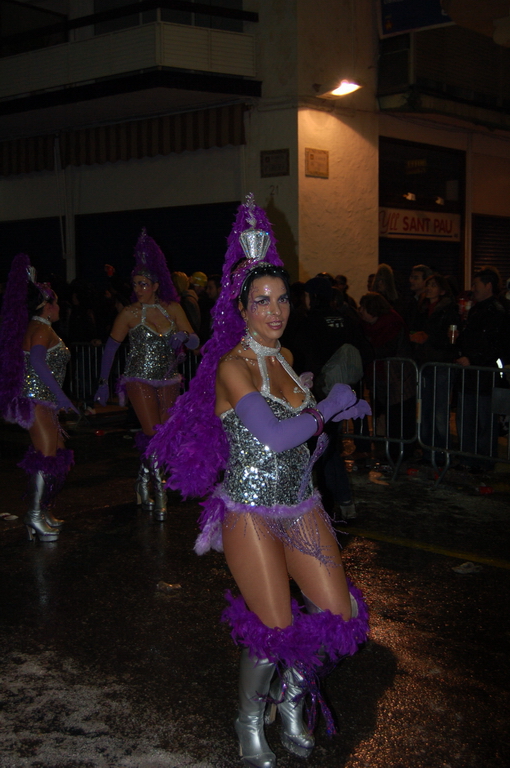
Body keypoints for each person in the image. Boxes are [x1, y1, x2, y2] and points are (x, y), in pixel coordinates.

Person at [150, 196, 370, 767]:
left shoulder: (286, 357)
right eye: (262, 301)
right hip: (248, 511)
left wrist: (333, 416)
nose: (275, 311)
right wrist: (325, 410)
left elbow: (304, 446)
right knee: (273, 628)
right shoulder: (234, 366)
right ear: (242, 308)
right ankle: (250, 719)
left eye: (281, 300)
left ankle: (292, 701)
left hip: (301, 506)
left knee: (337, 614)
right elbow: (272, 437)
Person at [94, 230, 199, 520]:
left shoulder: (172, 309)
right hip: (138, 379)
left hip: (168, 378)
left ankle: (142, 479)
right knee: (153, 431)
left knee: (164, 435)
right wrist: (103, 382)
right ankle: (160, 493)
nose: (138, 289)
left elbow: (194, 340)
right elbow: (111, 349)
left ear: (155, 285)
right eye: (135, 284)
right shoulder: (129, 313)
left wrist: (182, 338)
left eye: (143, 284)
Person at [0, 253, 77, 542]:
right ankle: (33, 516)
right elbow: (40, 364)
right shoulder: (42, 329)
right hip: (37, 400)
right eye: (56, 302)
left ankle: (42, 511)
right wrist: (63, 398)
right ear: (47, 306)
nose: (60, 308)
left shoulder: (39, 327)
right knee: (45, 457)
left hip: (42, 401)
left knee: (54, 455)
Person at [454, 268, 507, 469]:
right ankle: (468, 458)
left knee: (484, 421)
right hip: (470, 375)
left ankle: (483, 462)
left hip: (484, 376)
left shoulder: (497, 311)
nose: (472, 289)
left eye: (476, 284)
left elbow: (495, 345)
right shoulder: (476, 310)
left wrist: (474, 359)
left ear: (488, 286)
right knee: (467, 418)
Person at [359, 291, 416, 462]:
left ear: (372, 309)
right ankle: (387, 450)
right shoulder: (371, 326)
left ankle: (400, 453)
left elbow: (386, 349)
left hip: (398, 378)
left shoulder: (391, 324)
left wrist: (365, 352)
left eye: (363, 307)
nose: (360, 311)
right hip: (382, 377)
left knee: (398, 416)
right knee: (383, 414)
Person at [410, 274, 460, 463]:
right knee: (425, 410)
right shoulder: (423, 308)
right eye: (428, 284)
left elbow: (448, 339)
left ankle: (441, 451)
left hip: (439, 363)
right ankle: (427, 450)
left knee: (439, 411)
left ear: (442, 290)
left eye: (433, 285)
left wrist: (428, 337)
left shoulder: (447, 310)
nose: (429, 288)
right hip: (425, 363)